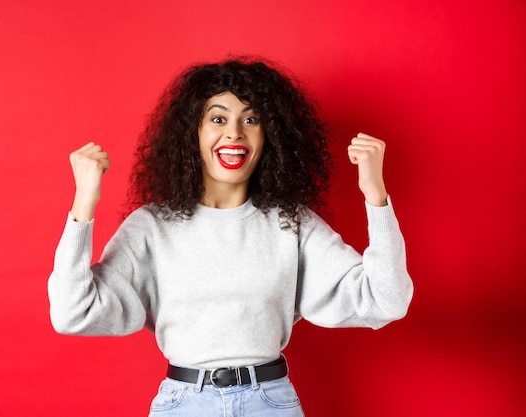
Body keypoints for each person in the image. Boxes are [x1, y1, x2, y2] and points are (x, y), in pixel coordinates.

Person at [48, 57, 413, 416]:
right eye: (218, 118)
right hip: (184, 404)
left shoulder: (291, 224)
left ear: (269, 136)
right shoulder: (152, 227)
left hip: (271, 404)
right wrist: (84, 204)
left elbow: (387, 300)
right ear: (193, 133)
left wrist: (375, 195)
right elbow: (72, 313)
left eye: (250, 119)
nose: (234, 132)